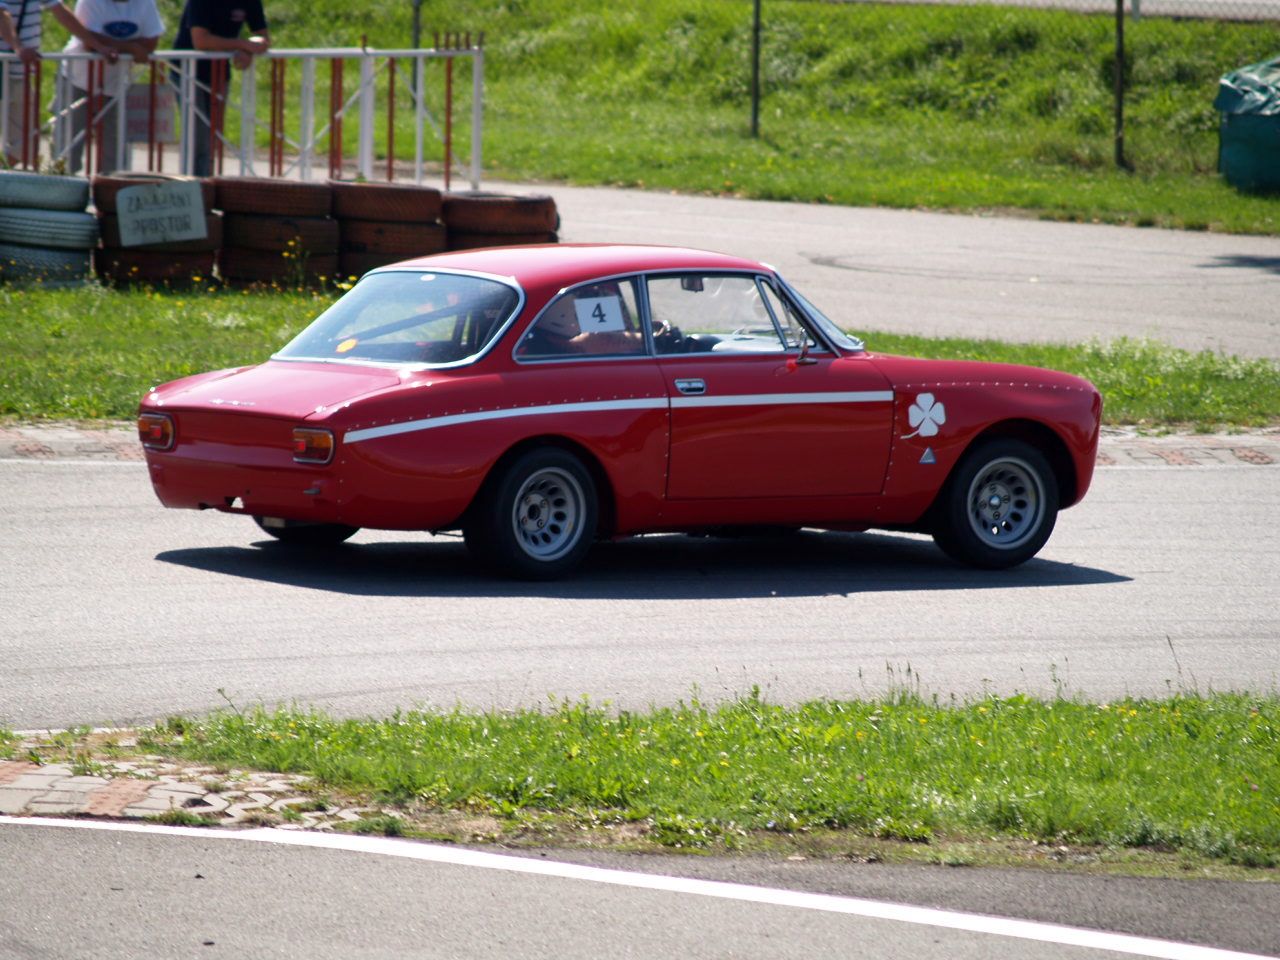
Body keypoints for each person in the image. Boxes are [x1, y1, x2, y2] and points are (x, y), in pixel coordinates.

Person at [0, 0, 116, 164]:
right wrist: (18, 47)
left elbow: (60, 11)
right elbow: (1, 16)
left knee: (25, 146)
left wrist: (98, 46)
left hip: (21, 74)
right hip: (5, 66)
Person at [60, 0, 164, 173]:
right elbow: (89, 40)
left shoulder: (145, 3)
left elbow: (150, 42)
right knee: (69, 145)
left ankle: (109, 185)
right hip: (78, 80)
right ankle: (61, 184)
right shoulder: (90, 2)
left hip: (117, 85)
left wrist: (112, 45)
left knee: (115, 150)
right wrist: (131, 47)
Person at [171, 0, 269, 176]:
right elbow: (201, 40)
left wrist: (250, 50)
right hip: (187, 71)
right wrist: (242, 44)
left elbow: (263, 37)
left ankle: (206, 181)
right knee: (197, 136)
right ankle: (193, 183)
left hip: (219, 72)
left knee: (214, 136)